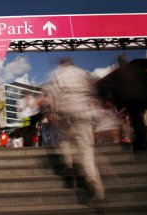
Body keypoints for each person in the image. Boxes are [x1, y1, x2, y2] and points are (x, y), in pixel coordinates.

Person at [46, 58, 117, 206]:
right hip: (84, 112)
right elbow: (92, 93)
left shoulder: (57, 75)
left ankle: (69, 163)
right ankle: (96, 186)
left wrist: (55, 113)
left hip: (66, 113)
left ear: (61, 65)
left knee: (64, 138)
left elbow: (54, 96)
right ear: (72, 63)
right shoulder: (82, 73)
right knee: (86, 150)